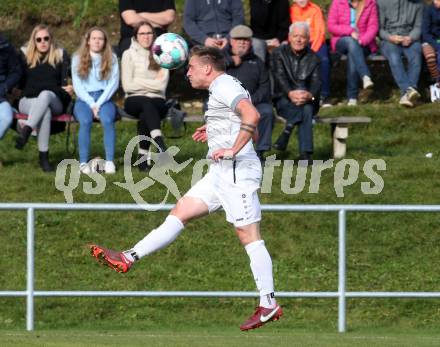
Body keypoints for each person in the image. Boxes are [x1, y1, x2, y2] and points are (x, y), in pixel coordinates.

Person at [90, 46, 282, 331]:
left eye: (191, 67)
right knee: (180, 211)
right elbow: (236, 116)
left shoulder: (224, 84)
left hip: (237, 172)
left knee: (249, 235)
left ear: (207, 68)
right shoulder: (222, 88)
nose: (187, 72)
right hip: (220, 172)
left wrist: (231, 148)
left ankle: (268, 303)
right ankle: (128, 257)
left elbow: (251, 116)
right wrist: (215, 130)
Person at [16, 24, 72, 172]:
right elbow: (19, 81)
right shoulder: (25, 57)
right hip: (28, 101)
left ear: (51, 39)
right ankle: (44, 158)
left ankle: (27, 130)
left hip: (54, 100)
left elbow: (78, 76)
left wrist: (73, 87)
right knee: (44, 110)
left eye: (46, 38)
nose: (42, 42)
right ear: (33, 41)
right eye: (38, 39)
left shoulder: (60, 56)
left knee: (45, 94)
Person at [121, 21, 170, 171]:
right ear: (136, 36)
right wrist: (151, 83)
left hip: (157, 100)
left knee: (146, 112)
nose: (146, 37)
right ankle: (159, 142)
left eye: (149, 33)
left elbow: (161, 85)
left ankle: (143, 161)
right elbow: (127, 85)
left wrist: (138, 81)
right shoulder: (128, 54)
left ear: (153, 35)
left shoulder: (162, 54)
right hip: (133, 99)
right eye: (142, 33)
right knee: (146, 104)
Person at [71, 27, 119, 174]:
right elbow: (77, 85)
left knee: (107, 120)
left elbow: (114, 84)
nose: (97, 41)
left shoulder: (112, 58)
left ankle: (110, 161)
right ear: (88, 41)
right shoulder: (77, 58)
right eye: (94, 38)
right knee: (85, 121)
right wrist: (92, 103)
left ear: (105, 42)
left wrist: (98, 104)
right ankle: (83, 163)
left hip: (105, 98)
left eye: (101, 39)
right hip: (84, 99)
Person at [270, 22, 320, 162]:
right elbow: (279, 78)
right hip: (283, 98)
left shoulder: (314, 58)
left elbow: (317, 83)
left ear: (308, 39)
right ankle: (306, 154)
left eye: (302, 37)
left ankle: (288, 130)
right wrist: (290, 93)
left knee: (308, 106)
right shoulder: (278, 53)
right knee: (306, 111)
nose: (298, 40)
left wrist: (310, 95)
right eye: (295, 36)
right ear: (289, 37)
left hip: (307, 99)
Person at [223, 25, 273, 163]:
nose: (242, 42)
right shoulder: (220, 59)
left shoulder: (257, 62)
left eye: (245, 40)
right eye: (238, 39)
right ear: (231, 41)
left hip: (252, 103)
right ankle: (219, 149)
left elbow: (265, 87)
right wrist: (230, 61)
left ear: (250, 42)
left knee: (267, 111)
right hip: (226, 103)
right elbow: (210, 77)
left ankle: (260, 152)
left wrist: (250, 101)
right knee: (209, 108)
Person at [328, 0, 378, 106]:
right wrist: (350, 31)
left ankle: (352, 98)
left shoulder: (369, 3)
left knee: (353, 52)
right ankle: (365, 75)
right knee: (351, 42)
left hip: (363, 42)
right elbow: (331, 26)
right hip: (341, 40)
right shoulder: (338, 2)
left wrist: (362, 40)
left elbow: (373, 27)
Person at [377, 0, 424, 107]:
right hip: (389, 40)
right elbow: (379, 29)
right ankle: (409, 90)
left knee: (416, 56)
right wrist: (390, 37)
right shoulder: (382, 2)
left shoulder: (419, 4)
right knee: (394, 57)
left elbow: (418, 26)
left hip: (410, 38)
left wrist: (411, 37)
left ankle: (406, 95)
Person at [291, 0, 332, 107]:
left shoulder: (315, 9)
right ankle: (299, 95)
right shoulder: (292, 10)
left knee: (324, 61)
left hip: (315, 42)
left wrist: (312, 51)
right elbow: (291, 33)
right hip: (298, 43)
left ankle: (325, 95)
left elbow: (320, 32)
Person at [0, 33, 21, 144]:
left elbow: (16, 72)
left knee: (7, 117)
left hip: (1, 95)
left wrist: (5, 86)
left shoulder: (6, 47)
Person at [422, 0, 440, 102]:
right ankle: (436, 82)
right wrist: (436, 45)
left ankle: (437, 86)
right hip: (429, 40)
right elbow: (425, 33)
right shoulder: (428, 10)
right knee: (430, 57)